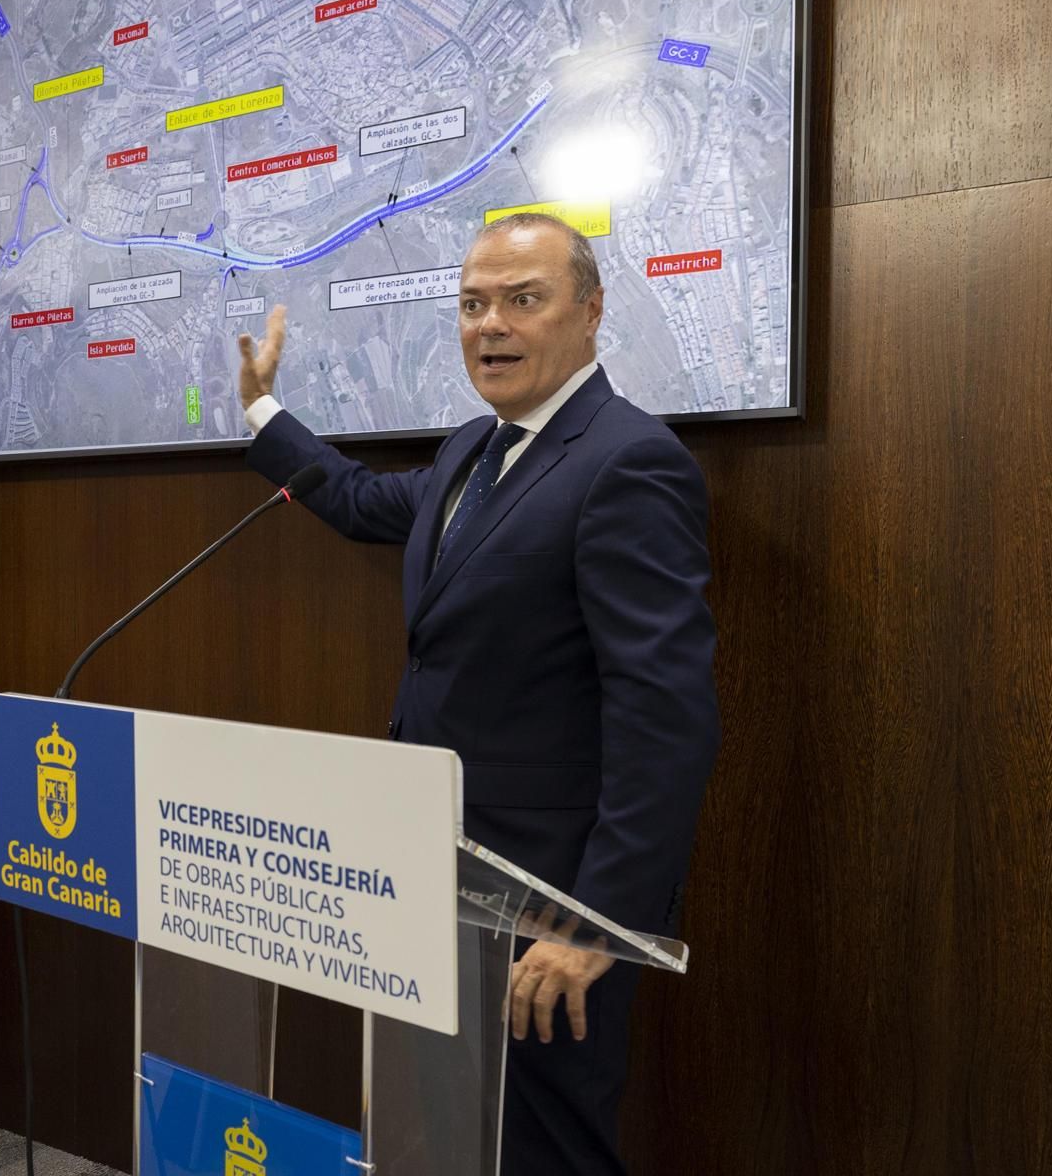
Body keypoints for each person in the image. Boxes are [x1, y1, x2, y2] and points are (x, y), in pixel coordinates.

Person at [236, 213, 720, 1174]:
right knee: (452, 1134)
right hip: (440, 875)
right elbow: (363, 501)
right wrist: (263, 414)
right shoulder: (474, 448)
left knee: (546, 1149)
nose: (490, 325)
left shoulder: (627, 460)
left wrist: (596, 927)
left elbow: (666, 717)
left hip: (548, 908)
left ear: (590, 314)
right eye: (471, 304)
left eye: (522, 300)